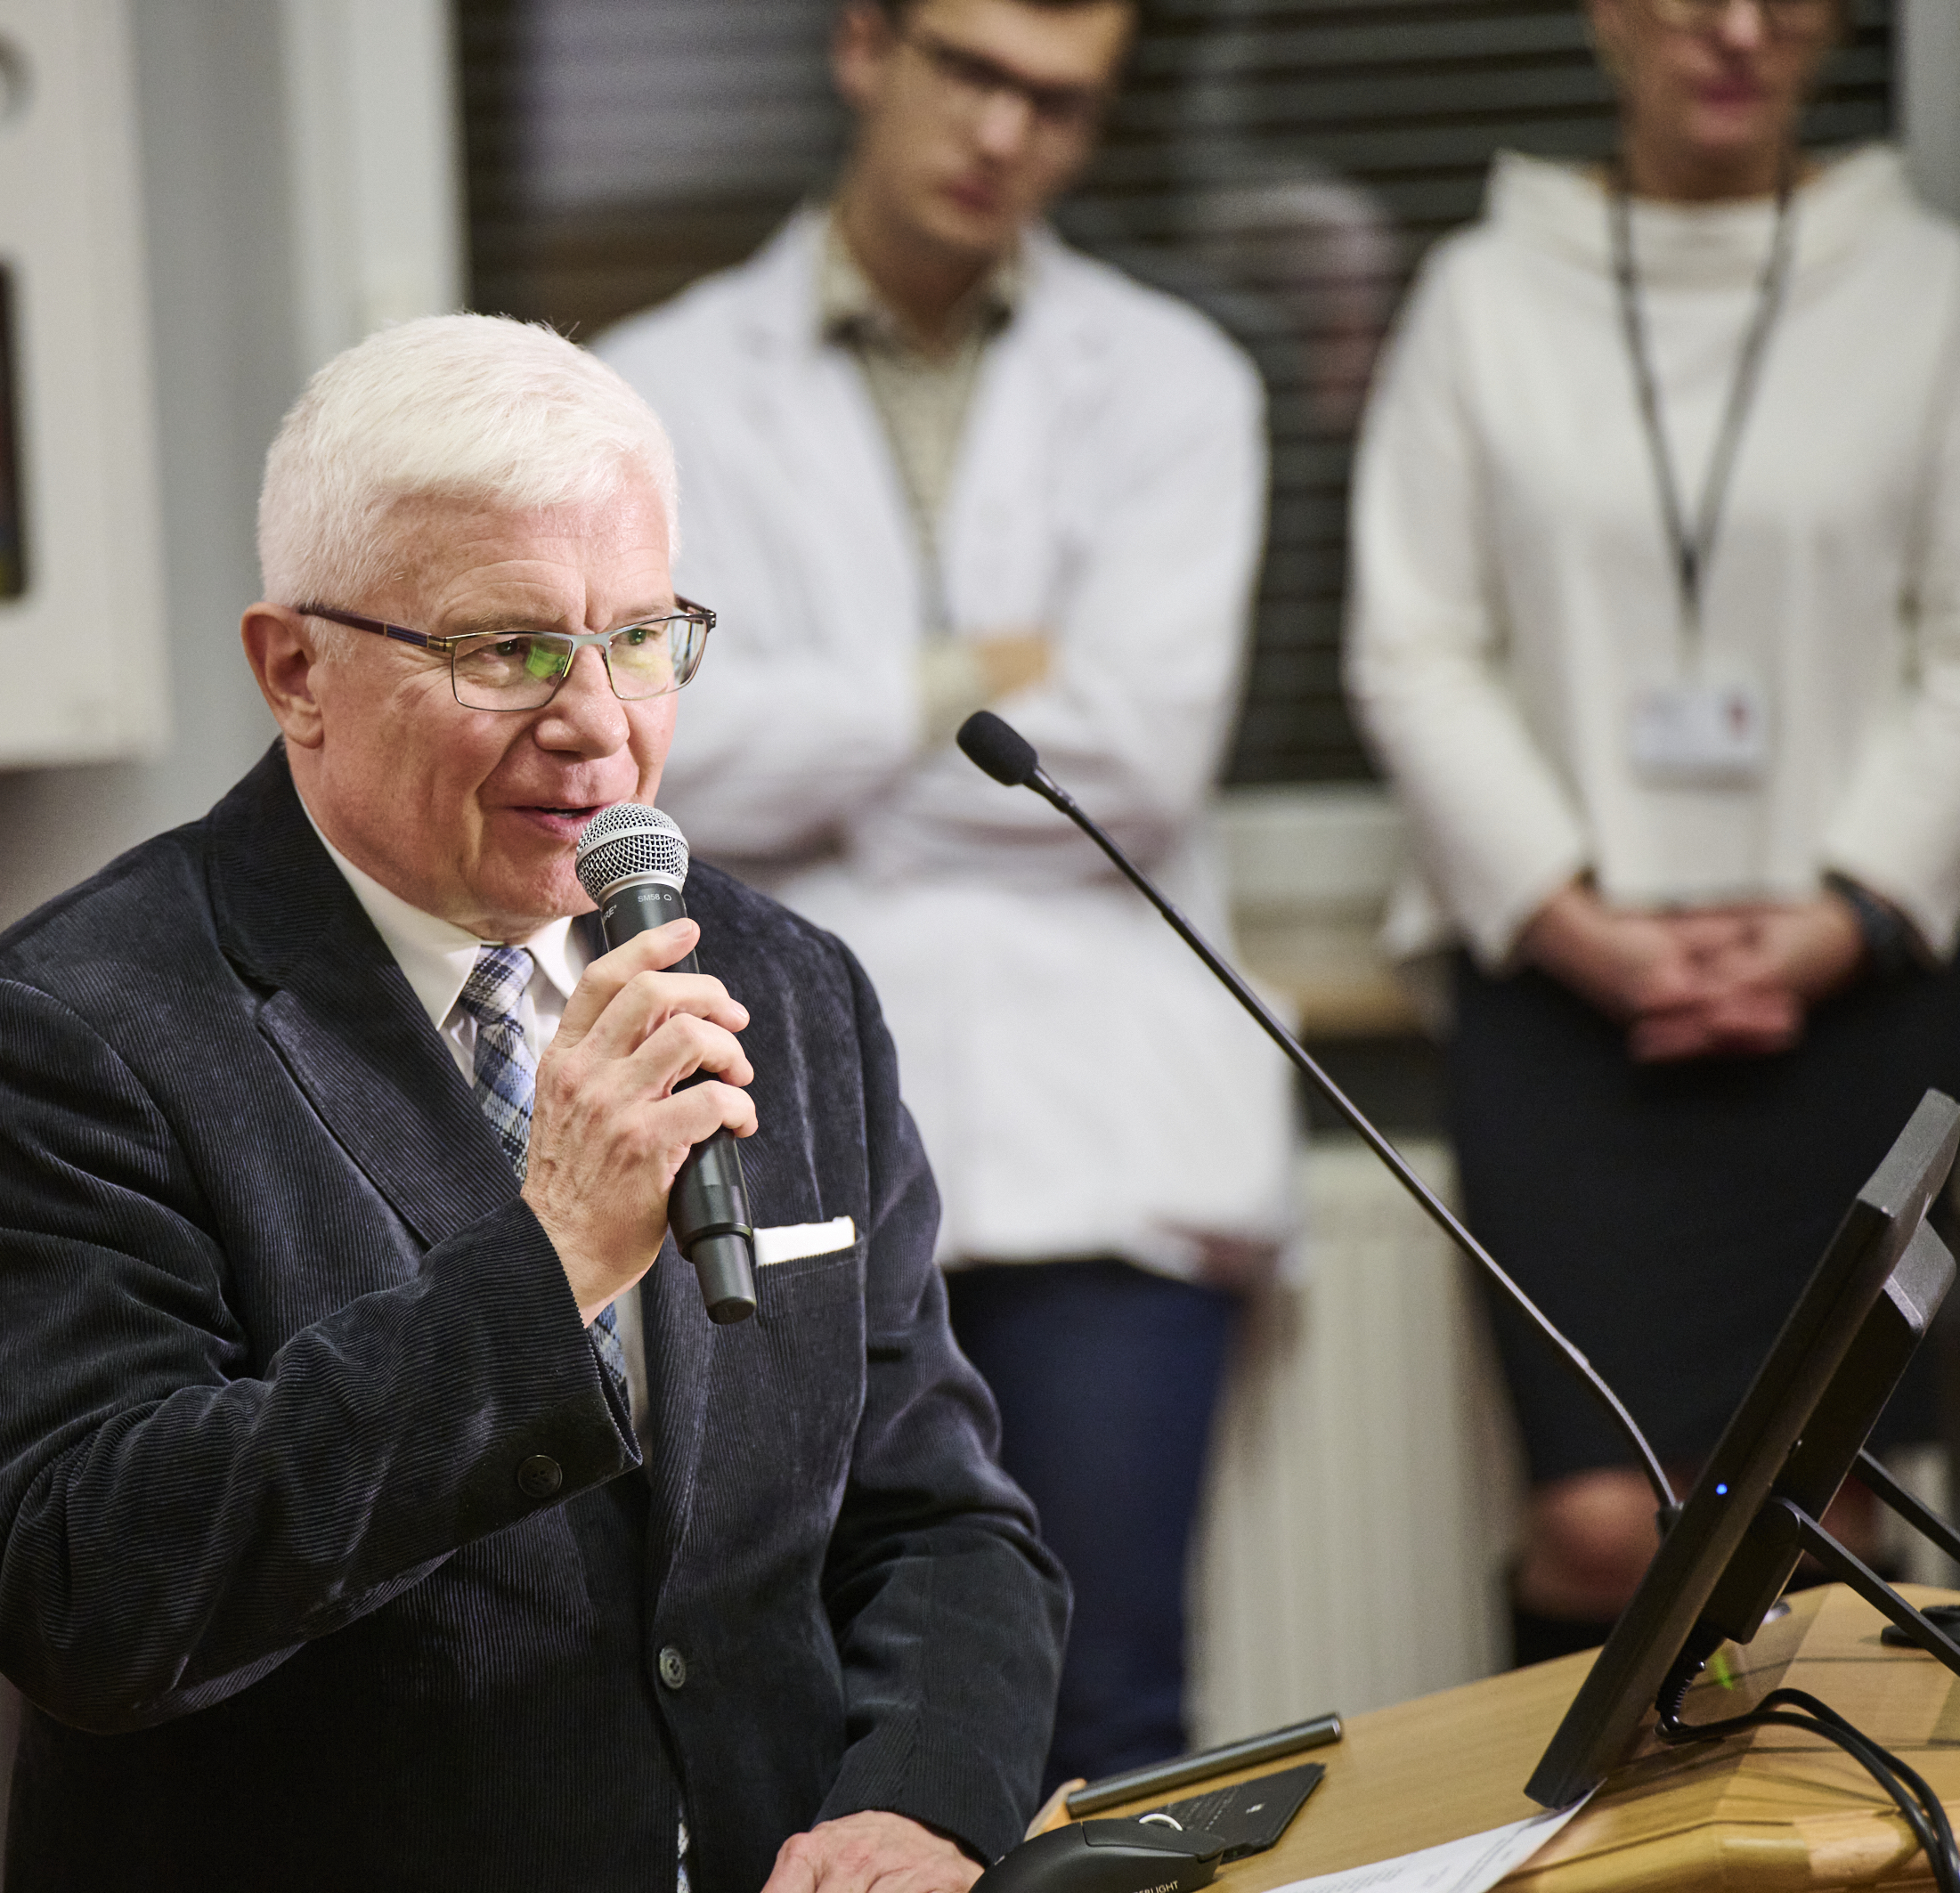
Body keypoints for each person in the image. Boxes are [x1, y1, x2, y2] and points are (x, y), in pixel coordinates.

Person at [0, 314, 1067, 1893]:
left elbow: (941, 1520)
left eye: (641, 634)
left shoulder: (783, 991)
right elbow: (91, 1594)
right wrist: (549, 1263)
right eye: (507, 647)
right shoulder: (68, 1035)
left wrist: (921, 1804)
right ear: (294, 671)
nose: (598, 722)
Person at [598, 0, 1292, 1783]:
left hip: (1104, 1151)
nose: (1007, 135)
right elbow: (658, 752)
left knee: (1106, 1725)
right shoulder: (652, 389)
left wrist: (818, 750)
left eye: (1059, 105)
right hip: (787, 1119)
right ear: (863, 47)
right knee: (803, 1719)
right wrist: (957, 682)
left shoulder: (1171, 380)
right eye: (971, 73)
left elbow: (1131, 757)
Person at [1346, 0, 1960, 1663]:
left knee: (1827, 1520)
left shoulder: (1921, 286)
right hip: (1561, 1001)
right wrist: (1582, 922)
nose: (1737, 31)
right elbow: (1409, 645)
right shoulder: (1480, 296)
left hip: (1853, 995)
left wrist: (1834, 922)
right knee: (1600, 1526)